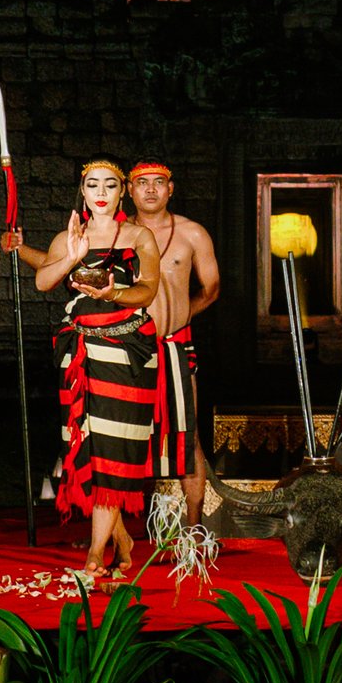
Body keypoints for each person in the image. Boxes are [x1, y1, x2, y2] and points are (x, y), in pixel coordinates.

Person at [15, 159, 165, 581]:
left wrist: (112, 289)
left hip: (126, 349)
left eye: (111, 185)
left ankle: (95, 554)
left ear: (122, 193)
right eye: (93, 185)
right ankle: (122, 542)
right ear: (83, 192)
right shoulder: (69, 236)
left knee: (114, 450)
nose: (101, 192)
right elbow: (44, 282)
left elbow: (147, 289)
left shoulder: (139, 236)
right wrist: (73, 257)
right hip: (79, 349)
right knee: (90, 451)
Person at [128, 159, 221, 529]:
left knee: (188, 433)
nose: (150, 190)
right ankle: (128, 526)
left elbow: (211, 288)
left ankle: (193, 526)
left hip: (176, 345)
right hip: (128, 346)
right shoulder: (116, 233)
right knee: (128, 433)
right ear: (130, 191)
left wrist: (182, 313)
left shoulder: (192, 234)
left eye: (158, 183)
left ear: (171, 189)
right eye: (142, 183)